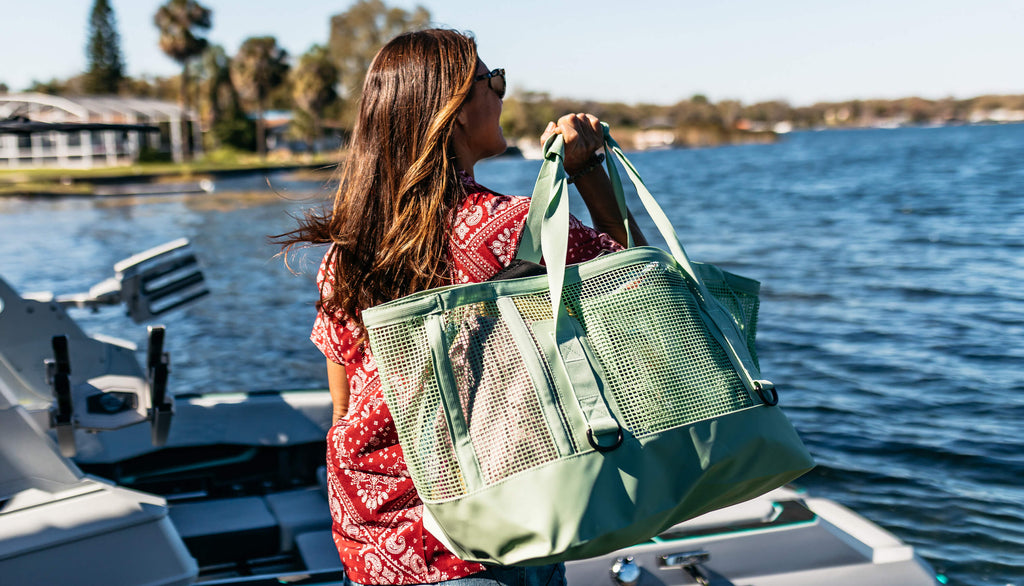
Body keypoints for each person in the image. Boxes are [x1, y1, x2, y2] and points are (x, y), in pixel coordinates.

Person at [278, 28, 644, 586]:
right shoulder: (516, 228)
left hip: (372, 539)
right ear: (452, 110)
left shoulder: (348, 252)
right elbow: (647, 288)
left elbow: (343, 403)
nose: (501, 94)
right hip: (490, 535)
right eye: (492, 81)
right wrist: (587, 169)